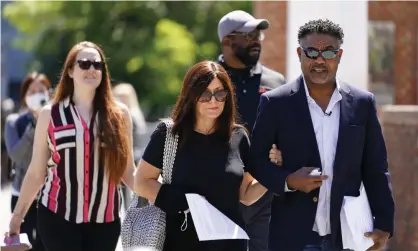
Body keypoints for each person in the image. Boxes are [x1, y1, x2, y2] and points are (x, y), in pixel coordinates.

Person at [249, 19, 395, 251]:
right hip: (295, 235)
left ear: (339, 55)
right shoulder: (275, 103)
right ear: (299, 54)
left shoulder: (362, 103)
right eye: (311, 52)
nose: (319, 60)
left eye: (328, 52)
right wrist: (288, 181)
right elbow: (255, 161)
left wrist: (385, 222)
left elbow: (376, 167)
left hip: (349, 234)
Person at [134, 61, 282, 251]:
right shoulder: (169, 134)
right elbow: (141, 182)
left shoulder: (238, 136)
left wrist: (272, 170)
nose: (213, 101)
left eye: (220, 94)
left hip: (229, 243)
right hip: (181, 242)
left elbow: (245, 195)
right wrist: (184, 201)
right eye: (205, 94)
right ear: (191, 96)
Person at [6, 41, 136, 251]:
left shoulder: (119, 115)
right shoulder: (50, 114)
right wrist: (17, 216)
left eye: (97, 64)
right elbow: (37, 171)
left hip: (105, 218)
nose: (92, 69)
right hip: (58, 215)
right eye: (84, 63)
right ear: (70, 71)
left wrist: (159, 196)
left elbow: (128, 171)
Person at [217, 10, 286, 251]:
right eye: (248, 36)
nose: (256, 40)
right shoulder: (209, 80)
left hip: (265, 194)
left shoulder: (277, 82)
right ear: (227, 40)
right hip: (218, 193)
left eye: (259, 35)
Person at [4, 72, 52, 251]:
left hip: (49, 195)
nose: (37, 95)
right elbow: (15, 155)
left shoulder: (56, 120)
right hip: (21, 192)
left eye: (41, 90)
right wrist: (35, 125)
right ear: (24, 95)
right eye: (32, 91)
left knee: (44, 242)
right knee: (23, 243)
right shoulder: (14, 122)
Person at [112, 82, 148, 209]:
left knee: (128, 194)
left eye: (122, 96)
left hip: (132, 156)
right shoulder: (132, 113)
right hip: (132, 156)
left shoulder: (130, 115)